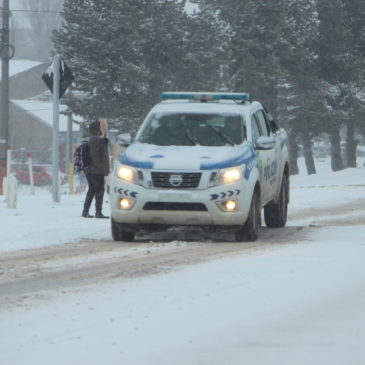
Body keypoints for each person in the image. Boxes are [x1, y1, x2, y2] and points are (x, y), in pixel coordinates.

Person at [82, 119, 110, 218]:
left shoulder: (95, 140)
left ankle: (85, 212)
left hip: (92, 170)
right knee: (99, 190)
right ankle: (98, 212)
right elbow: (98, 157)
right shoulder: (96, 140)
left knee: (92, 190)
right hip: (95, 170)